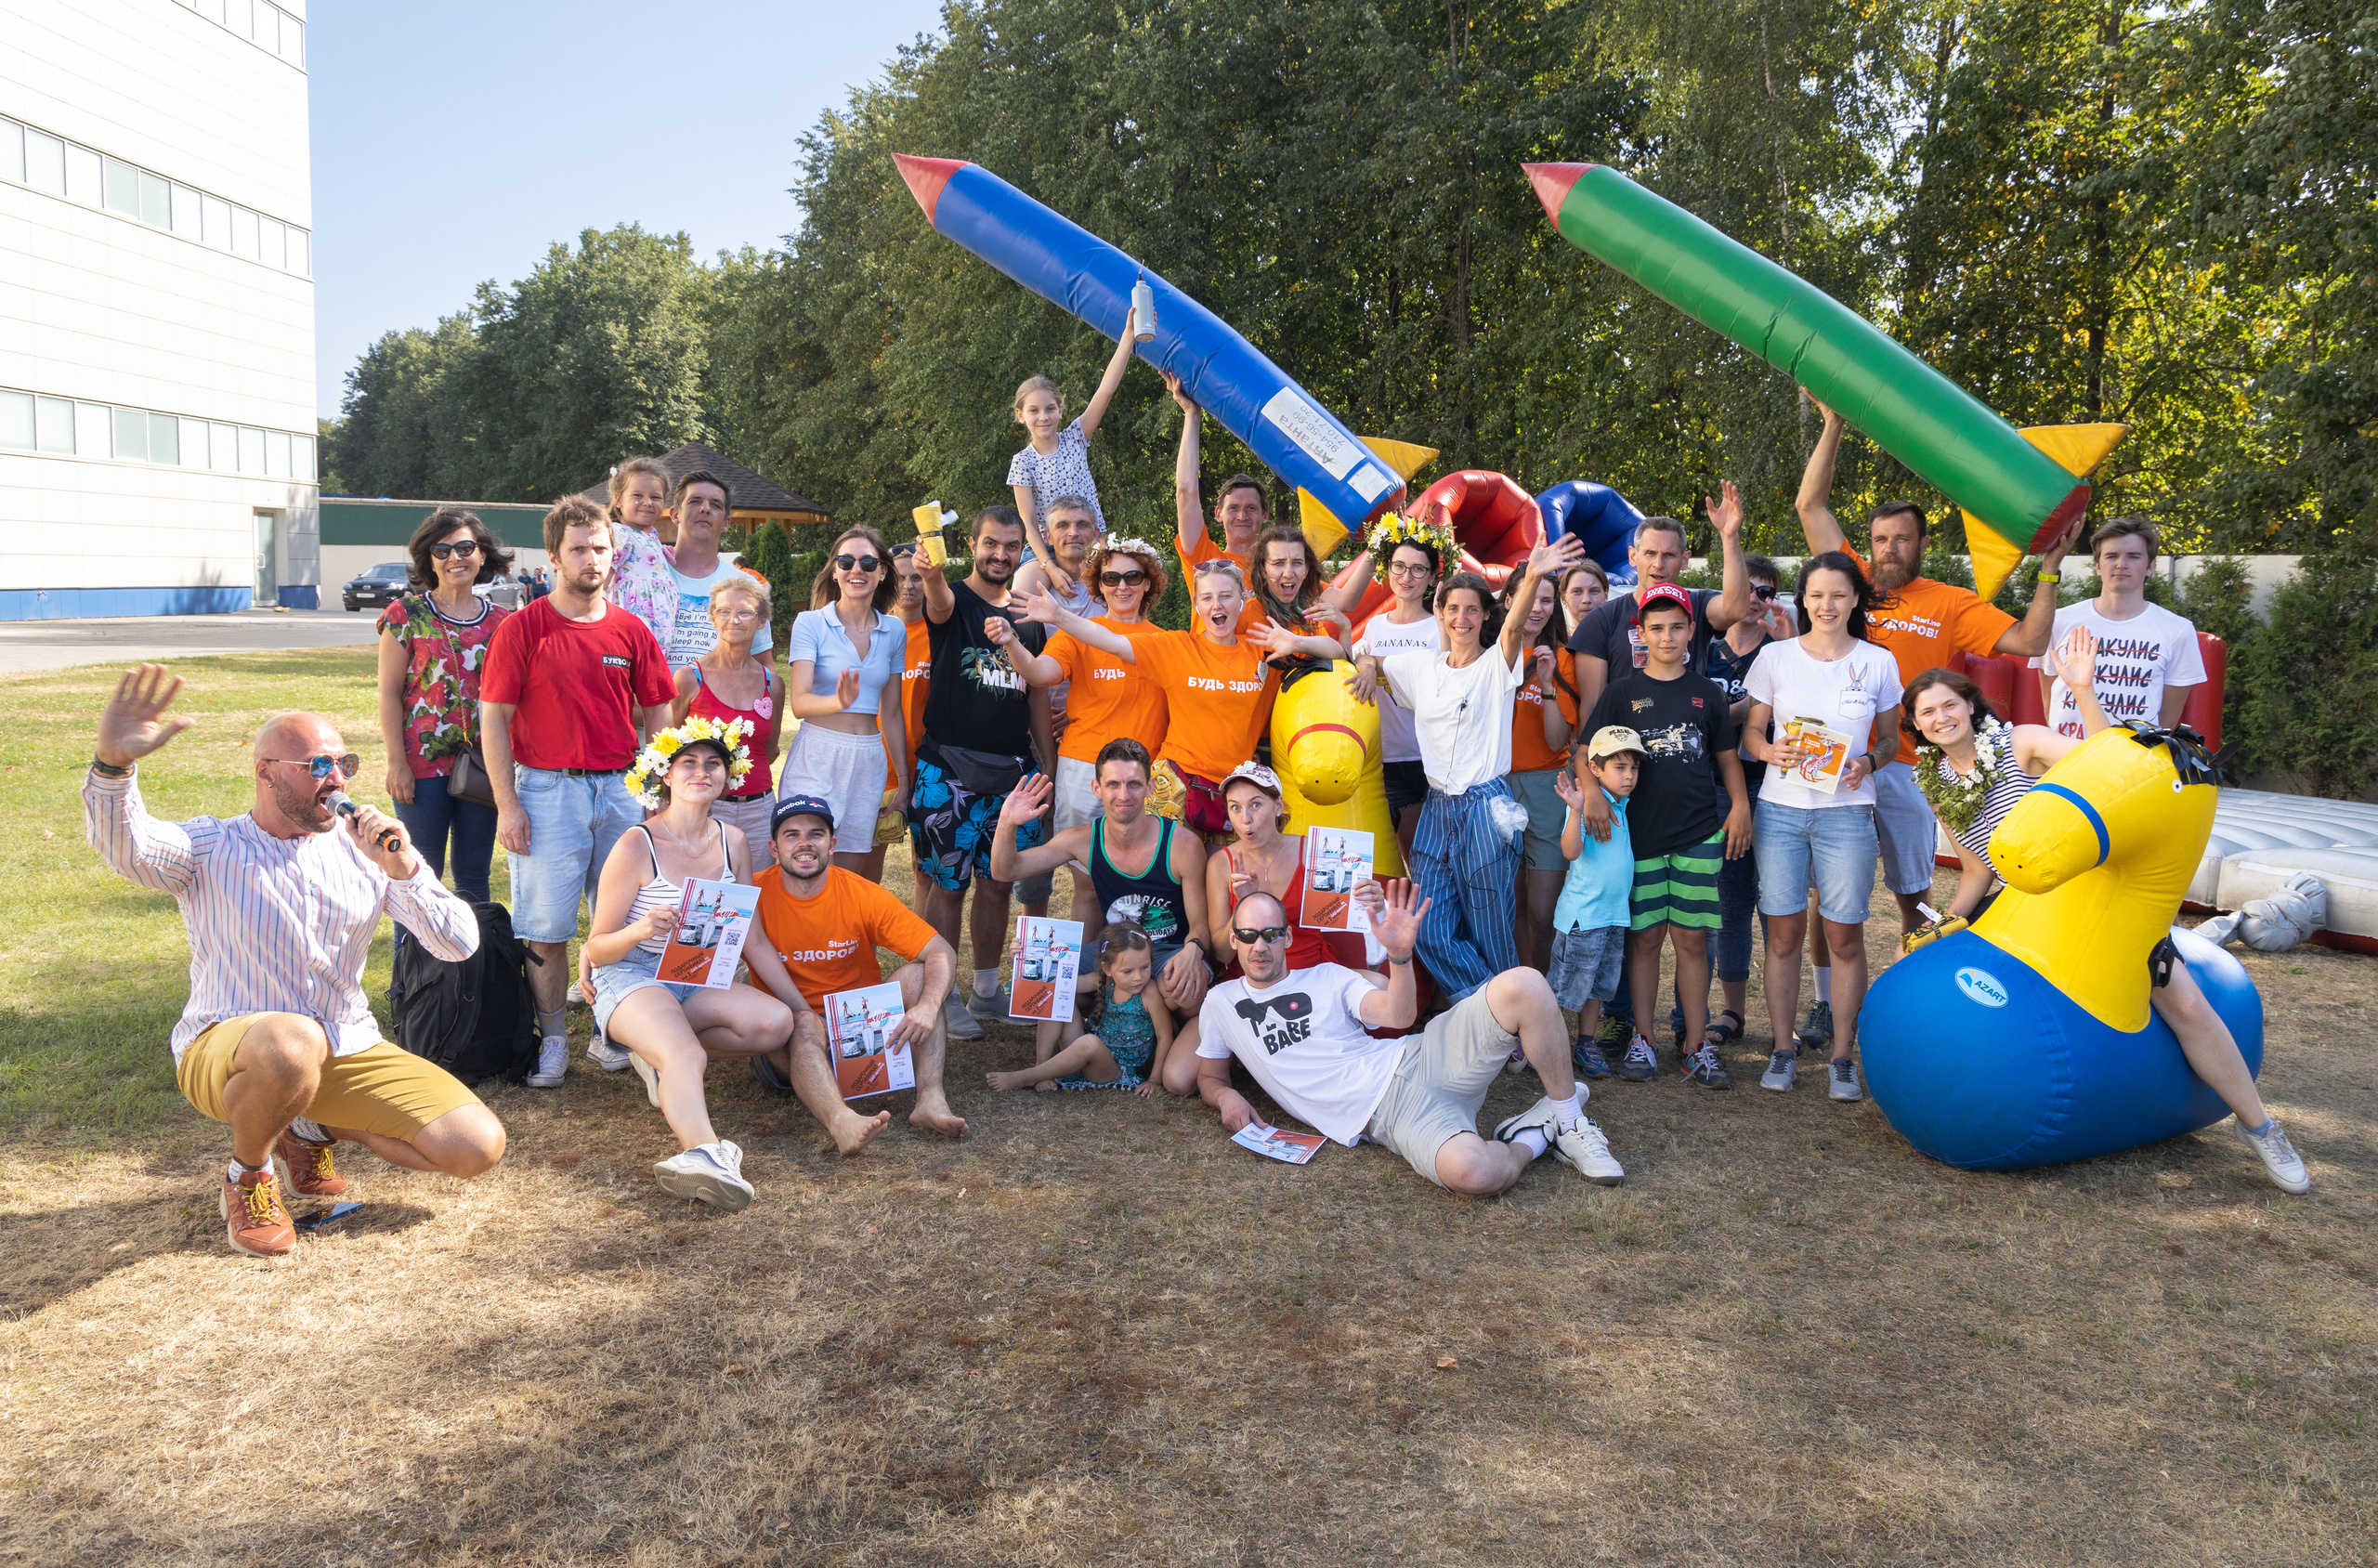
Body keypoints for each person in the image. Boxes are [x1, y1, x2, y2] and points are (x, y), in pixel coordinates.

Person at [85, 667, 507, 1257]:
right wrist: (113, 767)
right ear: (266, 773)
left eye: (344, 764)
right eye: (318, 765)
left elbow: (459, 944)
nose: (337, 779)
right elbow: (127, 847)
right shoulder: (211, 846)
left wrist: (405, 868)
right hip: (227, 1049)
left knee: (475, 1147)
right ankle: (249, 1175)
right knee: (290, 1041)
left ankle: (306, 1125)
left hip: (345, 1045)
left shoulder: (364, 853)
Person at [1902, 646, 2312, 1193]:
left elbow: (2113, 769)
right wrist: (1942, 924)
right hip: (2015, 904)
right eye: (1928, 712)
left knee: (2186, 1003)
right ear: (1916, 725)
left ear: (1971, 705)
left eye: (1949, 704)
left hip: (2089, 895)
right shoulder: (1933, 781)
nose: (1941, 718)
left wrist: (2083, 690)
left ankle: (2260, 1126)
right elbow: (1977, 870)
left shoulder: (2021, 742)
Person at [1795, 393, 2079, 1046]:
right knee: (1826, 898)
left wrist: (2050, 573)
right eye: (1879, 539)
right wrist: (1834, 423)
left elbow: (2031, 642)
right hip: (1841, 763)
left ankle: (1915, 998)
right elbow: (1810, 506)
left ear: (1924, 543)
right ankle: (1822, 1003)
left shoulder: (1951, 602)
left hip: (1907, 768)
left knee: (1913, 891)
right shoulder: (1852, 584)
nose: (1889, 549)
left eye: (1901, 539)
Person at [1195, 885, 1625, 1192]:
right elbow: (1209, 1076)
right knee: (1474, 1174)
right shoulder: (1220, 1002)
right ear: (1234, 939)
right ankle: (1535, 1132)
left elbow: (1398, 1016)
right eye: (1248, 935)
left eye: (1271, 934)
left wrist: (1399, 957)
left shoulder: (1326, 976)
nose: (1259, 946)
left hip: (1417, 1057)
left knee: (1526, 985)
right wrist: (1225, 1097)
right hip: (1393, 1117)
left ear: (1287, 936)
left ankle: (1570, 1121)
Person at [481, 497, 677, 1087]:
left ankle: (611, 1030)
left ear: (613, 554)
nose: (591, 558)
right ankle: (553, 1040)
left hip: (621, 790)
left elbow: (659, 713)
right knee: (546, 927)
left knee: (625, 922)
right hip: (547, 792)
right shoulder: (523, 628)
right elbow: (494, 719)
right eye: (578, 549)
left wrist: (658, 789)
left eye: (600, 548)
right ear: (554, 556)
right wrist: (508, 805)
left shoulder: (631, 630)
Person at [1349, 536, 1583, 1002]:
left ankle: (1507, 1019)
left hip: (1484, 807)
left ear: (1484, 616)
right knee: (1429, 926)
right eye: (1453, 608)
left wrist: (1534, 575)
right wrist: (1367, 665)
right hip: (1436, 807)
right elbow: (1368, 655)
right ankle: (1493, 1005)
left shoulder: (1497, 665)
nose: (1462, 618)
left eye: (1472, 610)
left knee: (1490, 926)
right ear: (1439, 612)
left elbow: (1513, 631)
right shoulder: (1421, 667)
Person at [586, 718, 797, 1210]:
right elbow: (596, 949)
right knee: (687, 1056)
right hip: (633, 972)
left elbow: (754, 938)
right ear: (666, 774)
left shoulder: (733, 841)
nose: (702, 772)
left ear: (728, 776)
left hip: (697, 973)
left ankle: (655, 1050)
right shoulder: (636, 844)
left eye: (713, 763)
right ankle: (704, 1153)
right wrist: (641, 929)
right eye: (688, 763)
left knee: (775, 1024)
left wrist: (803, 1009)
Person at [1742, 552, 1902, 1102]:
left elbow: (1890, 740)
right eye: (1816, 595)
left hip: (1847, 814)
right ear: (1803, 600)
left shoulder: (1878, 662)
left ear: (1855, 598)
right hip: (1780, 812)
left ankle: (1842, 1058)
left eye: (1838, 594)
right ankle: (1782, 1049)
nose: (1826, 605)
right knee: (1783, 936)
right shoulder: (1775, 657)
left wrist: (1869, 763)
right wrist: (1770, 750)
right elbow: (1752, 735)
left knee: (1845, 936)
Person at [1582, 584, 1753, 1087]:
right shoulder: (1621, 693)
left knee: (1693, 939)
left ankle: (1697, 1045)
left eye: (1677, 627)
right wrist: (1592, 794)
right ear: (1641, 633)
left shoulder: (1709, 693)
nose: (1667, 636)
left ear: (1692, 630)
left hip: (1699, 832)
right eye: (1656, 628)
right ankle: (1643, 1038)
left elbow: (1727, 759)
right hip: (1639, 837)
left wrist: (1740, 805)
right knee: (1646, 938)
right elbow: (1585, 750)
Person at [748, 793, 969, 1144]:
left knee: (919, 976)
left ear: (832, 844)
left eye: (816, 834)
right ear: (774, 848)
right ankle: (841, 1121)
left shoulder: (861, 893)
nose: (805, 844)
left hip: (859, 1028)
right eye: (792, 835)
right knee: (799, 1021)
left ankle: (930, 1098)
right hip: (790, 1035)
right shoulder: (752, 894)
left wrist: (928, 1005)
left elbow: (940, 950)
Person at [912, 505, 1057, 1039]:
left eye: (1011, 546)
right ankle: (942, 994)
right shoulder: (953, 600)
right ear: (972, 545)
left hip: (1011, 776)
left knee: (998, 884)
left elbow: (1036, 694)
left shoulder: (1029, 616)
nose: (1000, 554)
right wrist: (930, 575)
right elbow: (938, 599)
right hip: (948, 771)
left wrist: (1049, 765)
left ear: (1021, 552)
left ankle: (987, 990)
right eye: (990, 543)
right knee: (948, 888)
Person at [1011, 559, 1285, 840]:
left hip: (1231, 785)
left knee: (1221, 867)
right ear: (1196, 604)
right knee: (1165, 865)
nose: (1217, 605)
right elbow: (1111, 641)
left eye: (1226, 595)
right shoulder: (1177, 647)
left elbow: (1311, 652)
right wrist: (1057, 616)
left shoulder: (1261, 653)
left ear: (1243, 599)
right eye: (1207, 598)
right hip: (1178, 782)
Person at [989, 740, 1215, 1067]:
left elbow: (1201, 927)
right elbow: (1005, 870)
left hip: (1168, 950)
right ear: (1096, 788)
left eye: (1134, 784)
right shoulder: (1083, 839)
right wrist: (1007, 823)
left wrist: (1193, 952)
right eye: (1113, 784)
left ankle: (1166, 1028)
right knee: (1038, 964)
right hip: (1114, 951)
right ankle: (1097, 1036)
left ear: (1150, 787)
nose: (1123, 795)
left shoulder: (1181, 845)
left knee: (1186, 992)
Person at [1000, 534, 1171, 921]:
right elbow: (1040, 674)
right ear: (1099, 585)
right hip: (1084, 770)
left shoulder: (1168, 642)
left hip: (1145, 776)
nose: (1122, 586)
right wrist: (1011, 643)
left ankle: (1133, 959)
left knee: (1144, 884)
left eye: (1132, 577)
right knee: (1090, 885)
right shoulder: (1077, 633)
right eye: (1111, 578)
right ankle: (1087, 960)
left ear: (1148, 583)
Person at [374, 508, 513, 914]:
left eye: (465, 547)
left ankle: (473, 955)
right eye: (442, 550)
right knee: (417, 874)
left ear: (482, 554)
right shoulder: (405, 615)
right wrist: (396, 763)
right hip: (420, 768)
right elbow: (389, 693)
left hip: (484, 766)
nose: (455, 557)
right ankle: (412, 959)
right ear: (429, 560)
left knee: (474, 876)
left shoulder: (504, 623)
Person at [1689, 555, 1794, 1057]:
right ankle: (1732, 1011)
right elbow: (1696, 716)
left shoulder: (1784, 650)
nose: (1756, 599)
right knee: (1730, 902)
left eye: (1766, 591)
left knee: (1778, 906)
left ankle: (1782, 1020)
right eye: (1748, 588)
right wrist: (1741, 710)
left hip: (1774, 788)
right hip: (1714, 787)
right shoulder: (1704, 647)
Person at [781, 525, 910, 882]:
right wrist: (837, 700)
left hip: (868, 760)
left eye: (868, 563)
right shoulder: (810, 623)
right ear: (835, 571)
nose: (857, 569)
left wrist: (903, 781)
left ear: (882, 573)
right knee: (806, 867)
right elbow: (799, 703)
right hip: (817, 756)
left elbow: (892, 712)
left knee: (847, 876)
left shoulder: (894, 630)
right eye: (847, 561)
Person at [1009, 495, 1104, 917]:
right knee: (1036, 834)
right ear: (1046, 535)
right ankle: (1036, 935)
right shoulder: (1032, 577)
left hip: (1089, 727)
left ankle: (1101, 941)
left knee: (1094, 848)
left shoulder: (1110, 578)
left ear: (1096, 532)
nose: (1073, 533)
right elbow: (1019, 651)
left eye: (1082, 525)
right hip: (1036, 724)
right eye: (1063, 525)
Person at [2033, 517, 2205, 738]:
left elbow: (2167, 718)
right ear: (2097, 566)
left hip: (2134, 753)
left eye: (2133, 556)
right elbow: (2049, 699)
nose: (2121, 564)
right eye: (2111, 556)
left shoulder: (2177, 630)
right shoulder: (2058, 621)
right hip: (2066, 750)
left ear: (2151, 567)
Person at [1203, 761, 1372, 982]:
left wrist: (1371, 901)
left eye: (1255, 805)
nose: (1245, 819)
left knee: (1380, 984)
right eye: (1235, 807)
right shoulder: (1220, 863)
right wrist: (1243, 904)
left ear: (1278, 806)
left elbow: (1350, 920)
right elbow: (1222, 954)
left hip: (1313, 975)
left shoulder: (1314, 851)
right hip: (1252, 983)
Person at [1008, 308, 1139, 585]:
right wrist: (1050, 568)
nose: (1043, 417)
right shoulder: (1022, 462)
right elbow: (1028, 521)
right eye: (1033, 410)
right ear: (1021, 415)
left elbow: (1106, 390)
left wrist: (1128, 335)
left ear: (1060, 409)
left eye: (1049, 408)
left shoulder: (1075, 438)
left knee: (1117, 581)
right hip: (1047, 547)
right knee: (1024, 587)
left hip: (1091, 539)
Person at [1548, 727, 1646, 1077]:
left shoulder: (1622, 803)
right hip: (1583, 919)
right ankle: (1544, 1044)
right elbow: (1570, 851)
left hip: (1613, 917)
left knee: (1597, 987)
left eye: (1633, 768)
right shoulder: (1588, 804)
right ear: (1595, 768)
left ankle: (1586, 1043)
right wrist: (1576, 812)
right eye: (1620, 767)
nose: (1629, 776)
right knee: (1565, 988)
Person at [985, 921, 1174, 1095]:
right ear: (1107, 969)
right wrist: (1024, 956)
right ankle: (1042, 1067)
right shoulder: (1103, 980)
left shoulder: (1149, 992)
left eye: (1145, 967)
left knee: (1090, 1042)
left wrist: (1155, 1079)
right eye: (1127, 971)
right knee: (1056, 998)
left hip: (1114, 1070)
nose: (1138, 977)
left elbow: (1164, 1036)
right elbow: (1056, 983)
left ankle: (1025, 1077)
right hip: (1087, 1053)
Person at [1348, 537, 1446, 860]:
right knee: (1405, 857)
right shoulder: (1376, 626)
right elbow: (1359, 658)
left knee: (1434, 857)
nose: (1407, 576)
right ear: (1387, 570)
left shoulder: (1439, 626)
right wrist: (1365, 664)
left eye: (1418, 569)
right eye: (1399, 566)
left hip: (1431, 756)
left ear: (1432, 577)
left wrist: (1372, 663)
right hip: (1386, 757)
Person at [1505, 562, 1580, 976]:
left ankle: (1546, 988)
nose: (1537, 607)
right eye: (1529, 597)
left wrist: (1548, 685)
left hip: (1546, 788)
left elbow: (1556, 741)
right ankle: (1524, 986)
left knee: (1542, 911)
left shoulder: (1563, 658)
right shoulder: (1488, 654)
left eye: (1547, 600)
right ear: (1508, 601)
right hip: (1496, 786)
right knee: (1511, 905)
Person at [672, 572, 781, 853]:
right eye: (724, 611)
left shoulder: (773, 684)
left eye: (745, 612)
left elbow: (770, 750)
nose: (734, 620)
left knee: (758, 881)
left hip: (760, 810)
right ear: (712, 618)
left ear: (761, 620)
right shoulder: (689, 679)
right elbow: (669, 750)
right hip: (706, 808)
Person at [661, 470, 775, 673]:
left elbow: (763, 666)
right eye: (695, 501)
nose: (705, 509)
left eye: (715, 505)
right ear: (675, 514)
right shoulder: (647, 577)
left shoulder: (747, 588)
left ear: (726, 523)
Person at [1164, 371, 1270, 582]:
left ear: (1265, 514)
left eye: (1251, 508)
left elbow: (1338, 596)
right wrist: (1191, 413)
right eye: (1233, 508)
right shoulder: (1205, 559)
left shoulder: (1281, 570)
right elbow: (1185, 491)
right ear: (1218, 514)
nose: (1242, 516)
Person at [602, 455, 681, 654]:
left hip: (657, 641)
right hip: (627, 635)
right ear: (619, 500)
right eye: (637, 495)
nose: (647, 502)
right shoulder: (619, 534)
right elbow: (602, 579)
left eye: (655, 497)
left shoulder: (652, 536)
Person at [1246, 522, 1352, 665]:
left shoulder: (1308, 616)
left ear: (1306, 570)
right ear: (1263, 570)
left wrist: (1345, 628)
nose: (1288, 573)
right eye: (1278, 563)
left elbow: (1344, 666)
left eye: (1297, 563)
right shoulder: (1244, 615)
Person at [894, 544, 932, 766]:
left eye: (916, 578)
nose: (908, 585)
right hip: (876, 764)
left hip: (926, 767)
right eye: (900, 578)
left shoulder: (939, 634)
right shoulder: (871, 632)